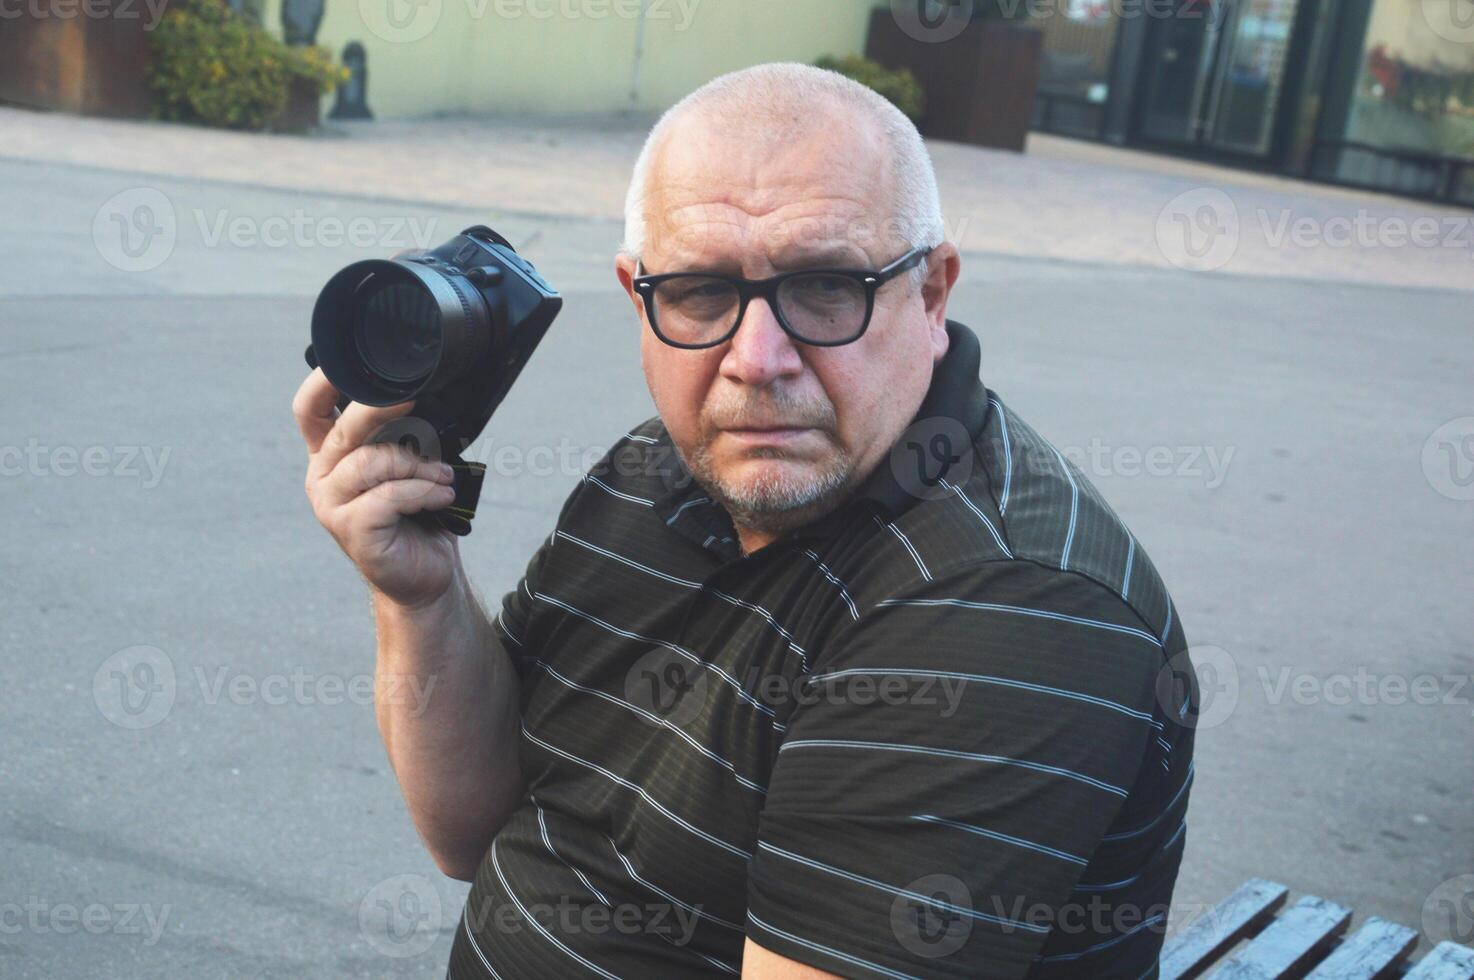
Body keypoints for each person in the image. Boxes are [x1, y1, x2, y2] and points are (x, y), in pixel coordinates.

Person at [293, 62, 1197, 980]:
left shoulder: (1006, 611)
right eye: (699, 293)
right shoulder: (662, 467)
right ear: (637, 296)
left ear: (930, 297)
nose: (756, 360)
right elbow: (470, 829)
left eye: (826, 288)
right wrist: (421, 596)